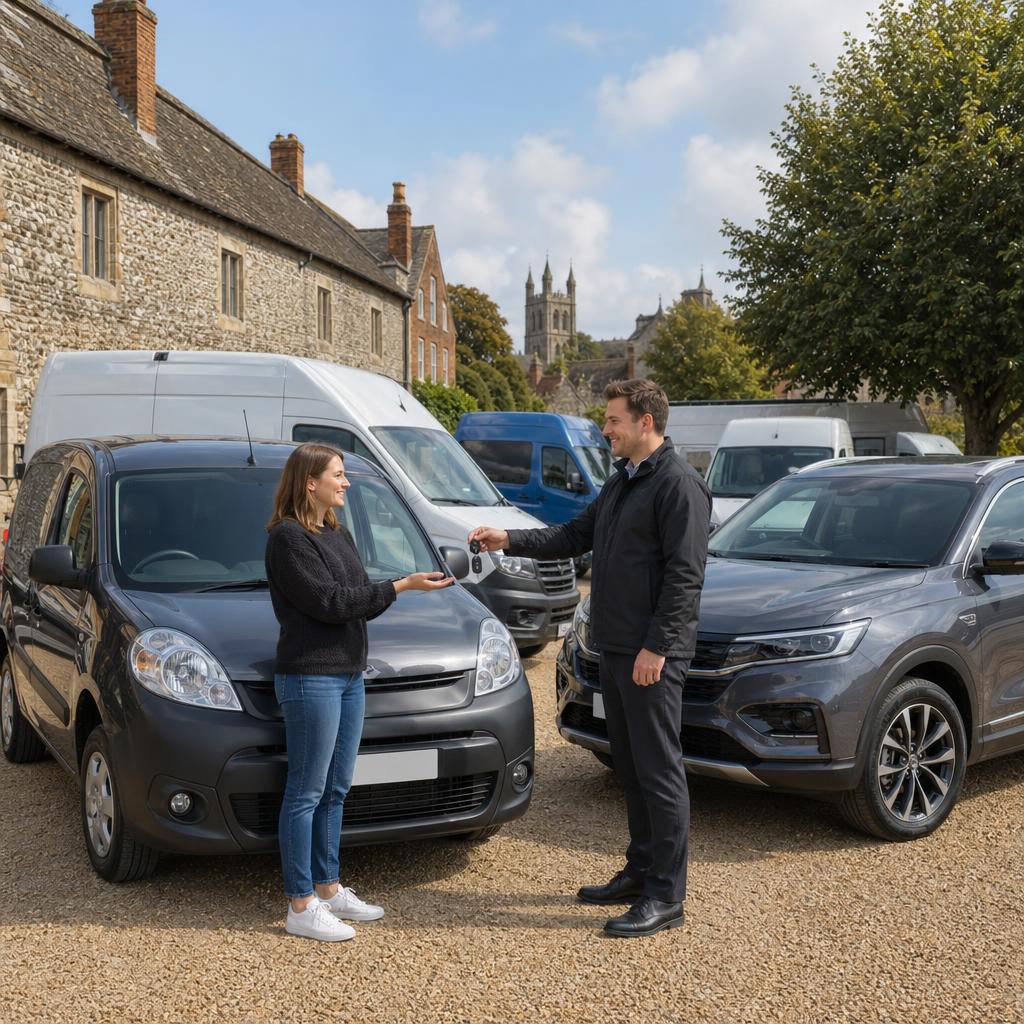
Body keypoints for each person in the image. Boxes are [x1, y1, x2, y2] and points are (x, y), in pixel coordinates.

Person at [469, 379, 710, 938]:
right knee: (630, 766)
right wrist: (509, 538)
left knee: (659, 772)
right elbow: (576, 534)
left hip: (651, 656)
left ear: (645, 421)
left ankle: (665, 897)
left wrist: (657, 647)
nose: (605, 429)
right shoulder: (624, 480)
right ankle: (640, 870)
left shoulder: (679, 485)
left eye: (612, 420)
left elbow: (685, 577)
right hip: (617, 650)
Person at [266, 442, 454, 942]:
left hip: (349, 676)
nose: (345, 482)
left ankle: (328, 889)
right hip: (311, 677)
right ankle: (300, 904)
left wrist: (396, 587)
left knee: (336, 788)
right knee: (305, 791)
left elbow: (357, 600)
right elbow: (329, 603)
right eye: (338, 474)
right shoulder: (287, 539)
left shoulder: (335, 531)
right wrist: (402, 586)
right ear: (311, 482)